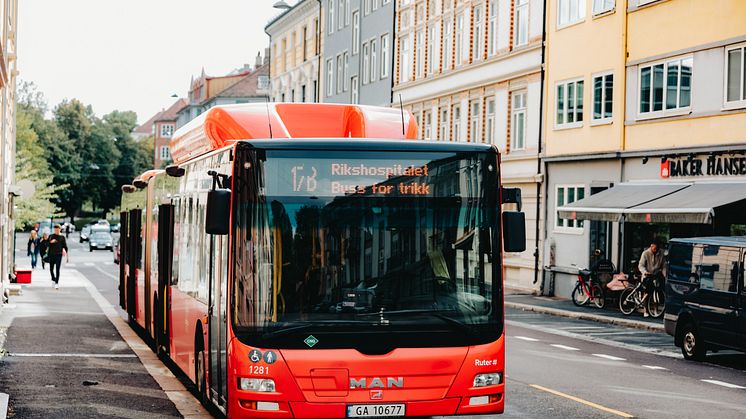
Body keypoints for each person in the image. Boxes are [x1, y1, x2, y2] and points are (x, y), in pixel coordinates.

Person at [638, 237, 666, 317]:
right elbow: (641, 265)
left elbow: (664, 266)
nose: (656, 250)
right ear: (651, 246)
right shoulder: (645, 253)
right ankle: (645, 309)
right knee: (647, 292)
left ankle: (655, 309)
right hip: (647, 275)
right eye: (654, 248)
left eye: (657, 248)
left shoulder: (661, 253)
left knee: (657, 290)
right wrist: (645, 272)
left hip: (656, 275)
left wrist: (665, 274)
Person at [47, 224, 69, 289]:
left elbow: (65, 246)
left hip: (58, 255)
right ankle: (53, 279)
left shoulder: (62, 237)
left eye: (57, 229)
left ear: (60, 229)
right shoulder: (51, 236)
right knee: (51, 269)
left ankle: (57, 282)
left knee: (57, 269)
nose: (56, 231)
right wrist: (51, 242)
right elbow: (47, 244)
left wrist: (66, 254)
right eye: (55, 229)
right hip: (51, 254)